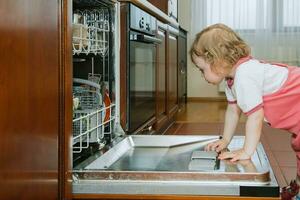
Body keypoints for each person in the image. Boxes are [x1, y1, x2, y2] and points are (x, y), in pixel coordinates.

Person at [190, 23, 300, 199]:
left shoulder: (245, 75)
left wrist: (247, 151)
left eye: (202, 69)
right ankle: (298, 190)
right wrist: (225, 139)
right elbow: (233, 110)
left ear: (217, 60)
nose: (202, 75)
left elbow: (256, 116)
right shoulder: (231, 79)